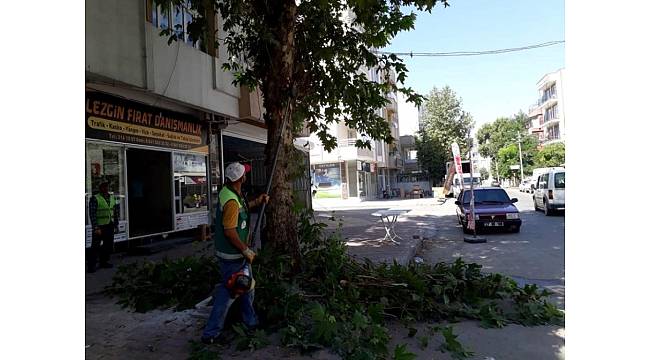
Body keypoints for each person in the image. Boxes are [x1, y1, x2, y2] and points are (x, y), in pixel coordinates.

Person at [202, 162, 270, 344]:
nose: (246, 176)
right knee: (229, 293)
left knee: (248, 287)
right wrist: (245, 249)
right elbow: (230, 231)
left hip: (234, 254)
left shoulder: (231, 193)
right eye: (245, 174)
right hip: (233, 256)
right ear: (241, 178)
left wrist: (258, 201)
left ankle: (250, 321)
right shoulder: (231, 201)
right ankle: (211, 333)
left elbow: (244, 208)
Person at [87, 181, 120, 273]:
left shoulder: (112, 198)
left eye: (106, 187)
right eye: (103, 187)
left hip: (110, 225)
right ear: (100, 188)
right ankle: (91, 266)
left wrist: (116, 225)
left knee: (108, 245)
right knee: (95, 247)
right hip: (100, 226)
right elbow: (92, 214)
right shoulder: (95, 198)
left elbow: (115, 212)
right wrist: (96, 227)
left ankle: (104, 262)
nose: (105, 188)